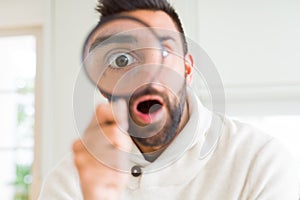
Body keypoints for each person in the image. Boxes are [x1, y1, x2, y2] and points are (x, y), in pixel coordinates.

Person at [39, 0, 300, 199]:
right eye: (121, 59)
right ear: (101, 81)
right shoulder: (70, 183)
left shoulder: (260, 161)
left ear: (187, 70)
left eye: (164, 51)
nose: (147, 76)